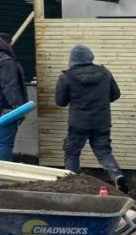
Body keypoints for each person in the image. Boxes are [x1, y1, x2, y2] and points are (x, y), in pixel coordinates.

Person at [55, 45, 128, 193]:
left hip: (78, 123)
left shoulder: (66, 76)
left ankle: (73, 185)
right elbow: (116, 95)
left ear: (72, 60)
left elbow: (60, 102)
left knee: (72, 152)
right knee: (103, 151)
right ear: (90, 56)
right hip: (101, 122)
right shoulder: (105, 73)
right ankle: (117, 175)